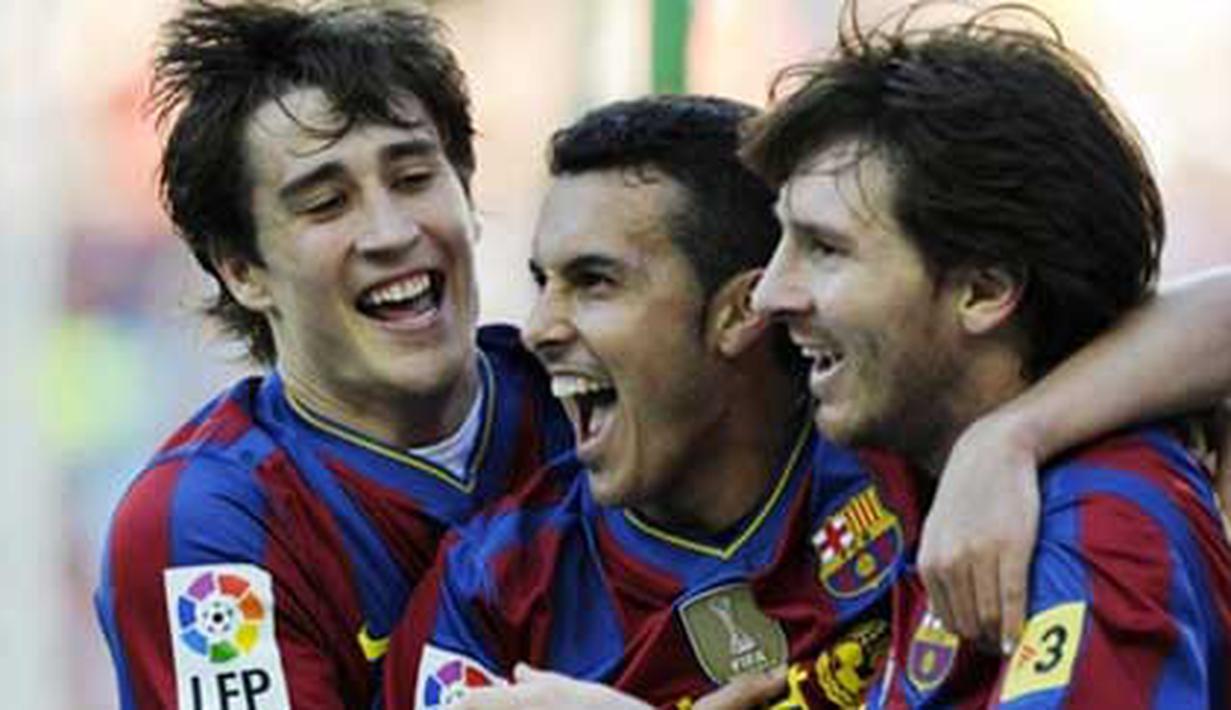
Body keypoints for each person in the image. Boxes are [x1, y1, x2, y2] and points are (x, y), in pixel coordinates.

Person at [381, 93, 1231, 708]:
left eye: (595, 281)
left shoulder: (941, 463)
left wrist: (1007, 438)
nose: (535, 328)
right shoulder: (496, 583)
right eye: (542, 281)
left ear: (733, 313)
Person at [746, 4, 1231, 706]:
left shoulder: (1097, 533)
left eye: (824, 249)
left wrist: (1010, 436)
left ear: (984, 290)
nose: (768, 294)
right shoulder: (901, 444)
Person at [94, 3, 571, 708]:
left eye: (413, 178)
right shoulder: (208, 524)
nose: (390, 232)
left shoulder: (587, 402)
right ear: (242, 271)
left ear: (466, 193)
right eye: (325, 203)